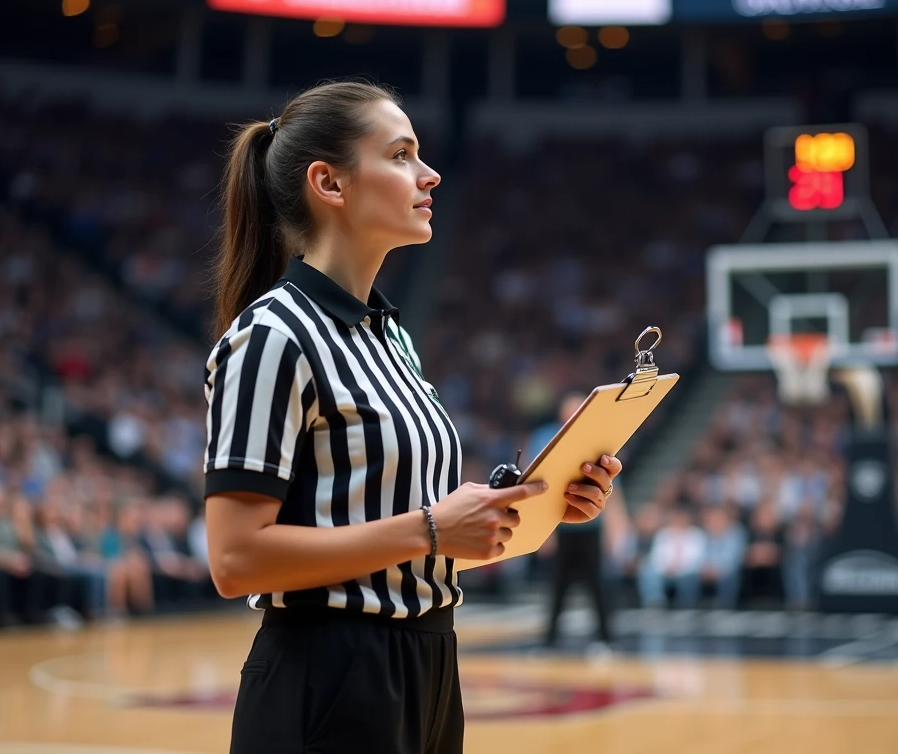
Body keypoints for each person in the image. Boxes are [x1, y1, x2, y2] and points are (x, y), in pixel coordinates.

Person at [202, 80, 622, 754]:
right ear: (329, 184)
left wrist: (536, 509)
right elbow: (234, 558)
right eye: (401, 155)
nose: (429, 174)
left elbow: (411, 547)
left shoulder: (390, 336)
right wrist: (431, 526)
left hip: (429, 665)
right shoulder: (274, 334)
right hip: (327, 675)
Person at [537, 392, 617, 651]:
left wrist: (616, 528)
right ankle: (549, 641)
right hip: (558, 525)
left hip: (591, 525)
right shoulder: (544, 437)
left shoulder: (596, 439)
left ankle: (605, 639)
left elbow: (613, 486)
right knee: (558, 585)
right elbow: (534, 482)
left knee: (596, 582)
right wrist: (542, 531)